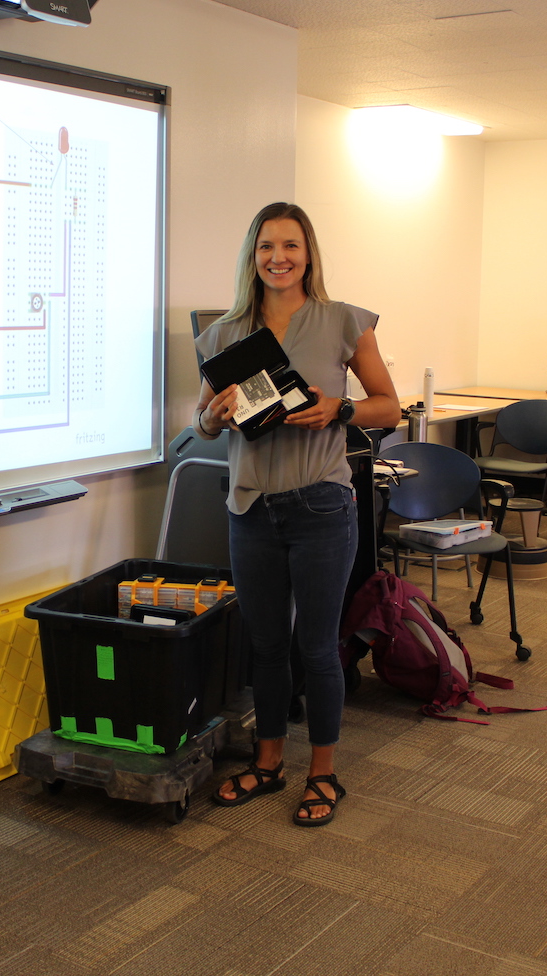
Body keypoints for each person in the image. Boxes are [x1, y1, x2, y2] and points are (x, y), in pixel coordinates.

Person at [193, 202, 399, 826]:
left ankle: (324, 774)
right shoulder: (225, 334)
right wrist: (214, 415)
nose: (278, 258)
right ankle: (269, 761)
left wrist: (339, 409)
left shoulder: (342, 321)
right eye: (265, 248)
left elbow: (388, 407)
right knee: (265, 646)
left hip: (320, 504)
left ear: (309, 254)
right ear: (251, 259)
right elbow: (200, 425)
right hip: (250, 506)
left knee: (315, 645)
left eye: (290, 246)